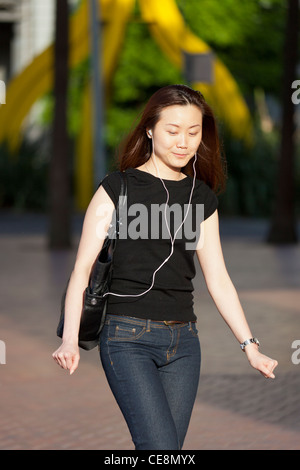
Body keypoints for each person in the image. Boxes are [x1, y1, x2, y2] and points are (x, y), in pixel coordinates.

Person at [52, 84, 278, 450]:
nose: (183, 142)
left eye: (193, 132)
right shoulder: (116, 189)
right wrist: (69, 339)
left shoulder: (202, 198)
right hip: (127, 339)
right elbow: (82, 270)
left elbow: (218, 278)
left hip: (185, 344)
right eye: (172, 131)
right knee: (158, 448)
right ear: (149, 129)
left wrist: (250, 346)